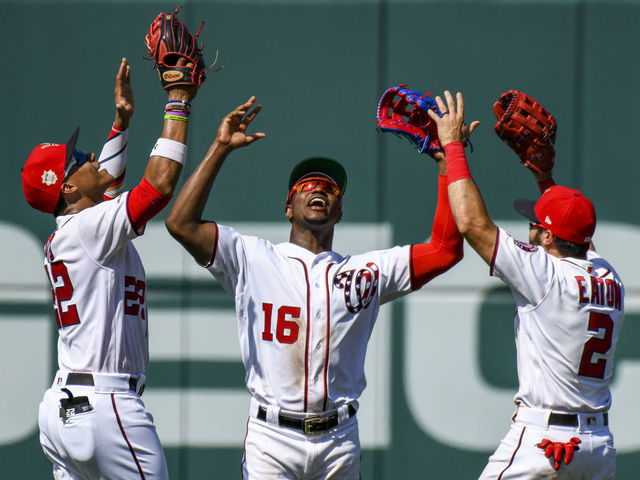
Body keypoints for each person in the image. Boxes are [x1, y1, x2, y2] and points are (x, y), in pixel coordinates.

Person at [164, 97, 472, 479]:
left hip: (338, 439)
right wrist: (220, 148)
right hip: (271, 438)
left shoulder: (365, 272)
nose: (319, 190)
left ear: (339, 213)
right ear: (289, 207)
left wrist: (446, 163)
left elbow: (445, 251)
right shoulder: (252, 258)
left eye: (330, 189)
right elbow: (181, 223)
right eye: (307, 185)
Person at [427, 91, 623, 479]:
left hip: (546, 441)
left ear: (549, 238)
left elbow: (472, 225)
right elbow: (577, 235)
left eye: (536, 224)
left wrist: (453, 146)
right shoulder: (607, 275)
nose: (530, 227)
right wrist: (544, 178)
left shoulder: (544, 275)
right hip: (598, 446)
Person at [21, 57, 198, 479]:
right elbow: (158, 187)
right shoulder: (89, 229)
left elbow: (105, 183)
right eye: (78, 158)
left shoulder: (76, 228)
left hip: (64, 410)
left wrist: (122, 122)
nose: (89, 157)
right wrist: (178, 101)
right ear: (66, 187)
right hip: (107, 406)